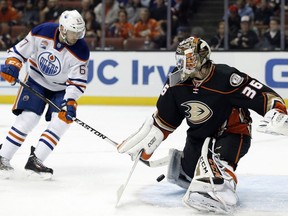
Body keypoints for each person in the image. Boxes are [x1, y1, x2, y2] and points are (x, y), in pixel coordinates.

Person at [117, 36, 288, 213]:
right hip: (198, 136)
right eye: (181, 60)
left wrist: (277, 111)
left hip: (231, 133)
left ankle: (222, 186)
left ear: (202, 58)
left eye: (189, 59)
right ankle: (186, 166)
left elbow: (263, 95)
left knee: (214, 175)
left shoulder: (226, 77)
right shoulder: (175, 82)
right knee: (189, 175)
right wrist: (151, 141)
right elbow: (165, 120)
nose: (183, 65)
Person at [0, 10, 89, 179]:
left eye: (79, 32)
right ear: (62, 29)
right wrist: (13, 64)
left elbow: (77, 81)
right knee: (29, 118)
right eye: (73, 32)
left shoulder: (81, 50)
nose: (76, 36)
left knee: (62, 121)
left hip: (61, 89)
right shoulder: (42, 32)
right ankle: (2, 157)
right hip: (36, 80)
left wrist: (70, 102)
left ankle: (36, 160)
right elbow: (19, 51)